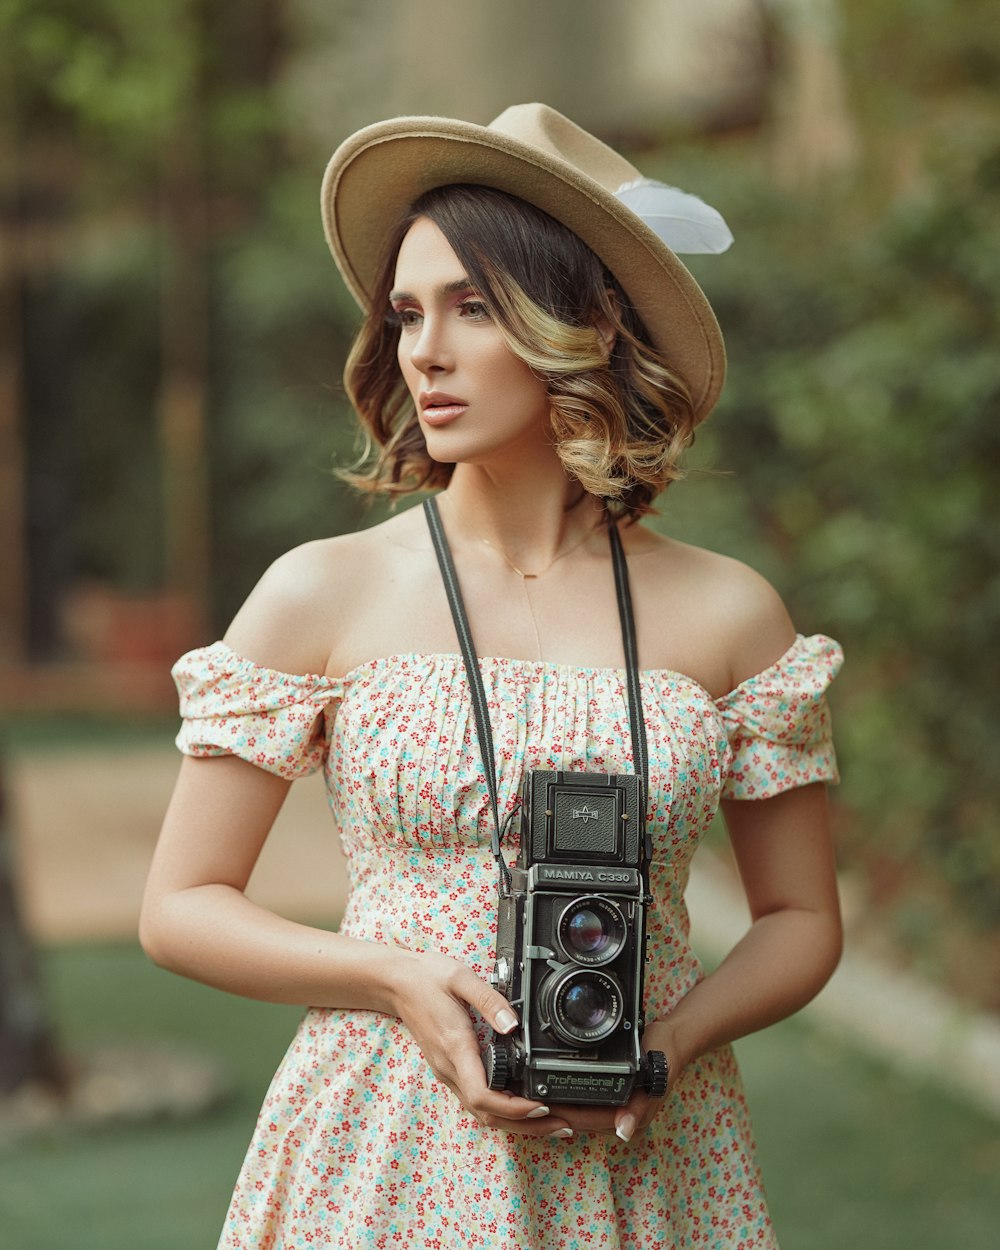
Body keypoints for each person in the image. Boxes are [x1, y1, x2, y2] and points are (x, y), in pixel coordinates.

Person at [140, 103, 844, 1249]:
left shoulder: (730, 610)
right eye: (407, 312)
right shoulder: (321, 590)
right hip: (383, 1138)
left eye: (474, 307)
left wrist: (664, 1044)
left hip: (649, 1149)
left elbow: (802, 916)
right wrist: (395, 979)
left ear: (587, 323)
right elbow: (180, 907)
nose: (425, 349)